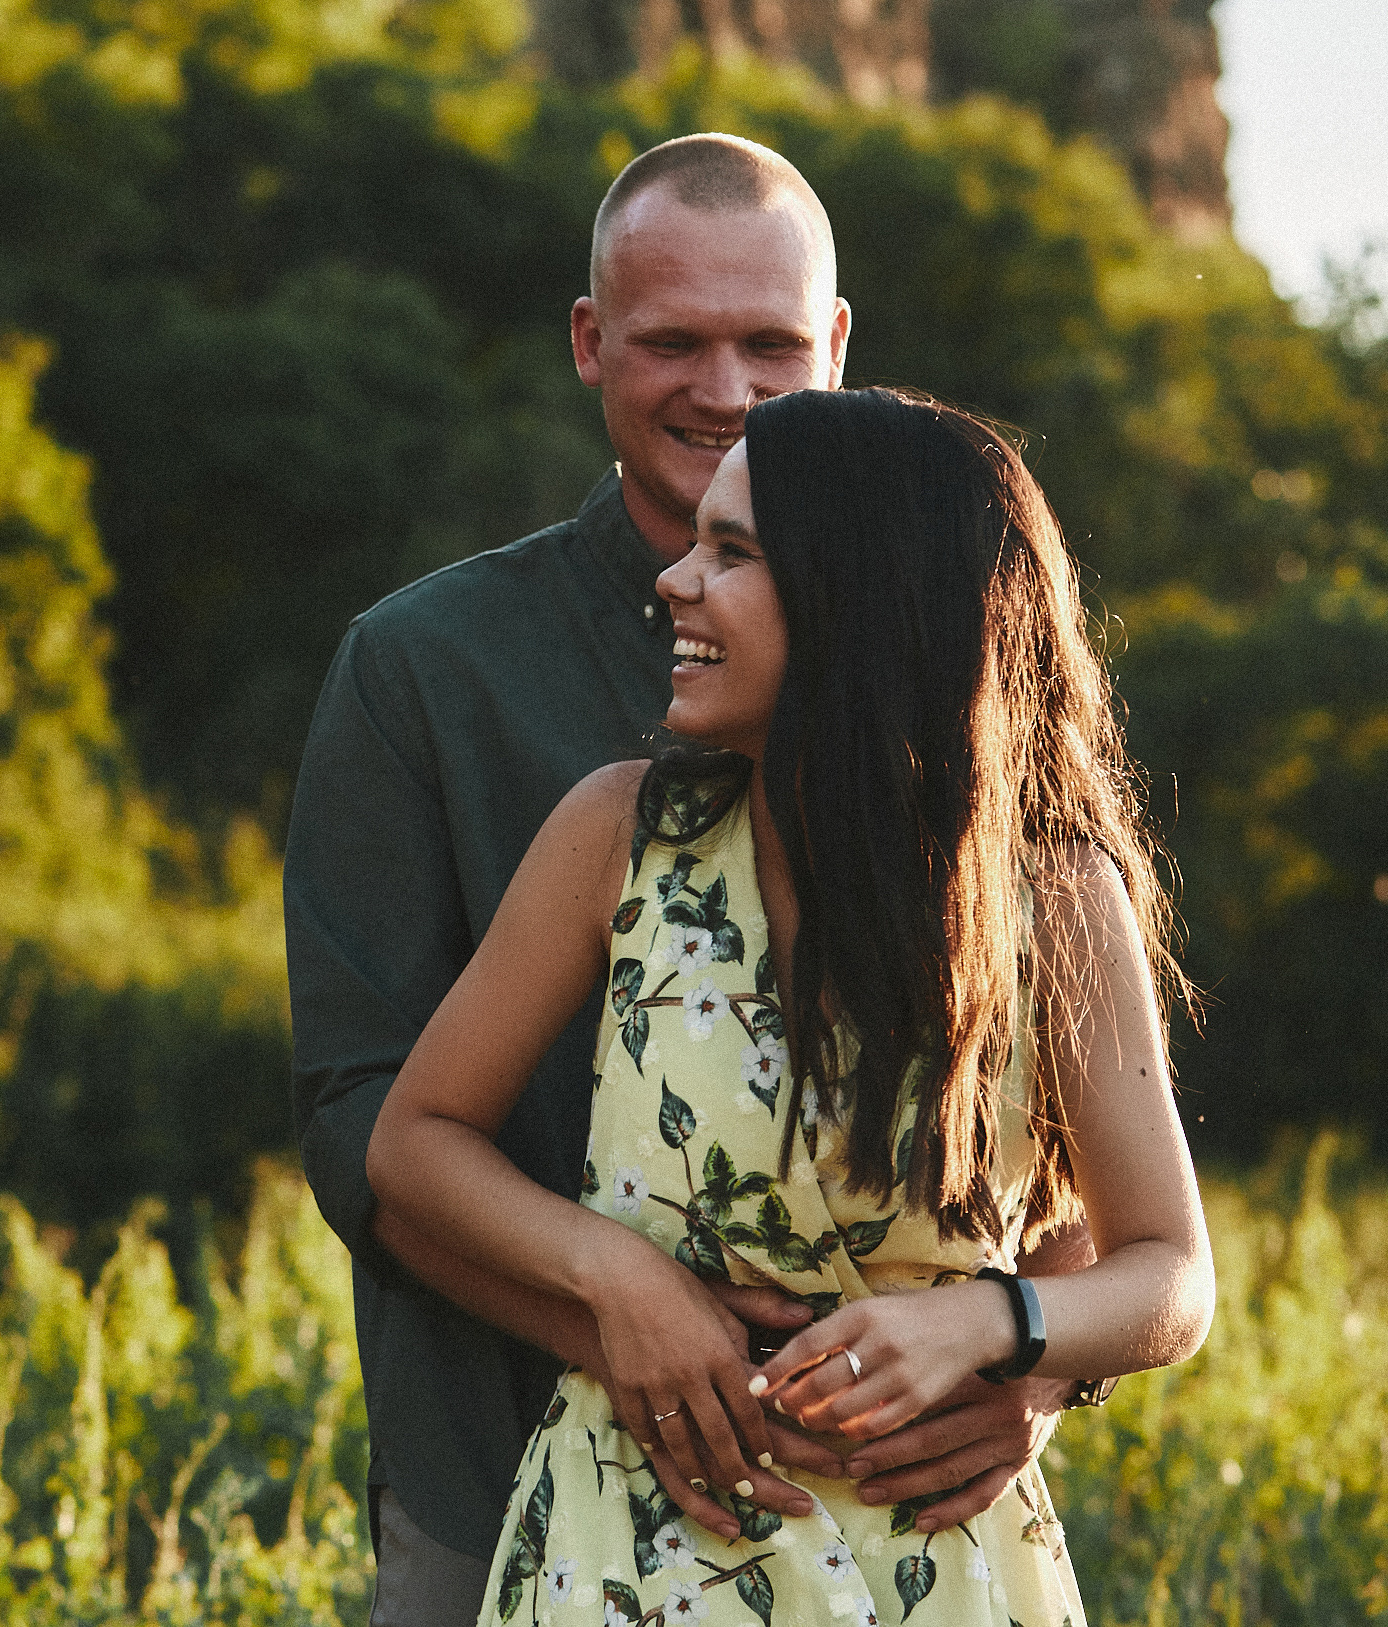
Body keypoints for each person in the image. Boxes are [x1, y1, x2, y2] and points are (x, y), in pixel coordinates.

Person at [285, 133, 1096, 1627]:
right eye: (673, 342)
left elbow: (1064, 1121)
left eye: (771, 342)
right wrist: (623, 1320)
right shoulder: (420, 669)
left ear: (839, 345)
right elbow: (364, 1125)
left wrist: (1036, 1367)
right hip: (504, 1478)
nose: (726, 390)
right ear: (591, 342)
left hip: (896, 1505)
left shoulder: (956, 697)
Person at [366, 387, 1215, 1626]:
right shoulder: (620, 834)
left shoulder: (1056, 894)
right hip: (634, 1548)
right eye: (696, 540)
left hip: (935, 1561)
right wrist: (617, 1283)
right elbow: (412, 1143)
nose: (674, 580)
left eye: (734, 552)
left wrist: (994, 1327)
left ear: (858, 598)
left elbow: (1171, 1274)